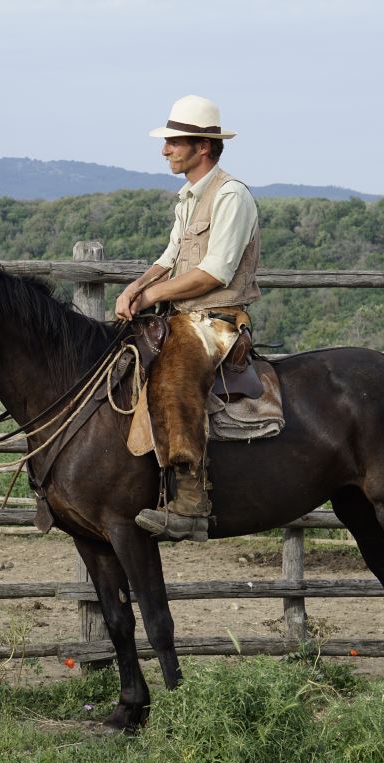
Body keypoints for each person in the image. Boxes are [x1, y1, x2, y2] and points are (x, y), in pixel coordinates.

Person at [114, 94, 261, 541]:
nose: (165, 150)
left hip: (216, 319)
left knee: (174, 374)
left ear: (202, 147)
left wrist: (155, 292)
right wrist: (136, 288)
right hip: (184, 313)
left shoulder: (231, 195)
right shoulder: (188, 198)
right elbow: (169, 256)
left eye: (174, 143)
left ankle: (192, 499)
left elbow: (215, 270)